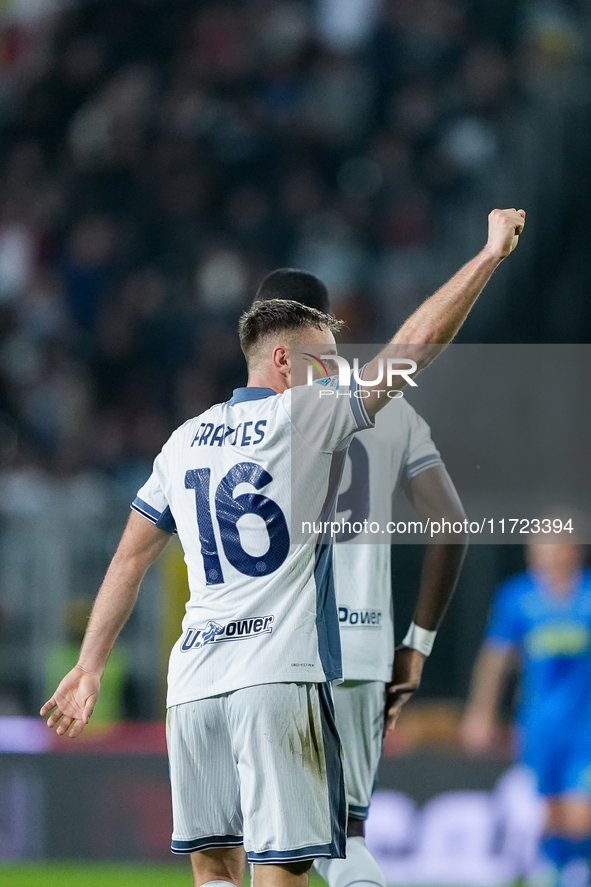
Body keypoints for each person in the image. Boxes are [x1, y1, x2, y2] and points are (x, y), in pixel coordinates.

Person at [40, 207, 525, 887]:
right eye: (323, 358)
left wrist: (90, 665)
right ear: (281, 360)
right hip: (278, 677)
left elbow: (128, 557)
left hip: (195, 685)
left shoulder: (183, 439)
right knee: (286, 868)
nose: (333, 370)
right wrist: (488, 256)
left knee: (212, 865)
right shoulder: (304, 415)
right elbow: (414, 345)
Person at [255, 268, 467, 887]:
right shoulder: (390, 408)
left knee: (275, 843)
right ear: (330, 329)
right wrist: (416, 646)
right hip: (367, 650)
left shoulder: (257, 415)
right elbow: (451, 525)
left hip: (280, 650)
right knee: (343, 838)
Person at [461, 541, 591, 887]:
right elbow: (497, 658)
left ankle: (575, 870)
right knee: (550, 811)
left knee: (580, 813)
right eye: (537, 549)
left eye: (551, 547)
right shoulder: (518, 597)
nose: (542, 555)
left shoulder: (588, 596)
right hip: (539, 725)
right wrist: (481, 713)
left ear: (572, 550)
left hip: (585, 727)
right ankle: (559, 871)